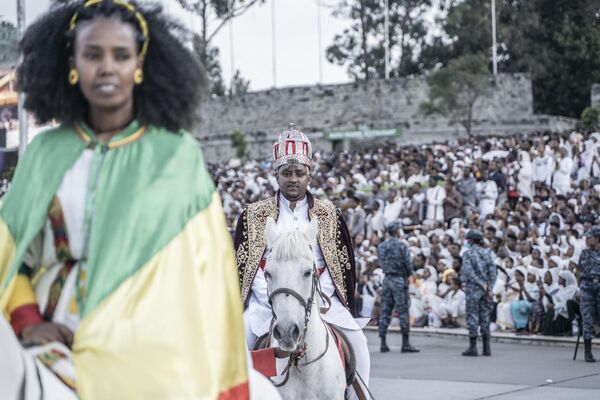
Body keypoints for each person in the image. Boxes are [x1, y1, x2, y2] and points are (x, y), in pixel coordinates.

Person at [0, 1, 250, 398]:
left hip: (149, 348)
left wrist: (229, 386)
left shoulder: (176, 155)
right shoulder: (44, 153)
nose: (106, 68)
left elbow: (211, 280)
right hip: (53, 343)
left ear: (139, 64)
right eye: (92, 55)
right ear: (72, 63)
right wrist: (28, 319)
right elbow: (10, 257)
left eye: (121, 55)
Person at [234, 124, 371, 389]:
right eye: (287, 173)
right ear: (277, 175)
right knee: (235, 349)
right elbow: (248, 271)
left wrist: (317, 297)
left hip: (321, 300)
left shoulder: (329, 214)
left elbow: (338, 268)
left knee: (360, 345)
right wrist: (274, 297)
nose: (293, 178)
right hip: (266, 302)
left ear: (309, 175)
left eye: (299, 172)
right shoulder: (253, 216)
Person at [377, 222, 419, 353]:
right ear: (396, 231)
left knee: (385, 310)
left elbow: (381, 262)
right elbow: (408, 264)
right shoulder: (402, 245)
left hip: (387, 279)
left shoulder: (382, 246)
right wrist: (410, 274)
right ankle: (405, 343)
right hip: (399, 279)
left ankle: (383, 342)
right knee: (403, 311)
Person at [461, 230, 497, 357]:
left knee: (472, 316)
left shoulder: (467, 254)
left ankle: (473, 347)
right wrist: (489, 287)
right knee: (485, 316)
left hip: (473, 288)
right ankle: (486, 348)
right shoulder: (487, 253)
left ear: (470, 240)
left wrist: (480, 283)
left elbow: (468, 272)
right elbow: (493, 272)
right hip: (486, 289)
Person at [577, 225, 600, 362]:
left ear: (597, 238)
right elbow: (579, 271)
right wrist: (580, 286)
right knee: (587, 318)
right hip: (587, 286)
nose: (587, 240)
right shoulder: (584, 253)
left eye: (589, 237)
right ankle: (588, 352)